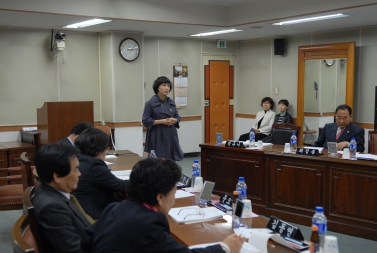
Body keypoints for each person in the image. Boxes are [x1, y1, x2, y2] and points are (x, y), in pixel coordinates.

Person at [82, 158, 246, 253]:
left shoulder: (115, 208)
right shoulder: (149, 224)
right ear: (160, 197)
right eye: (173, 193)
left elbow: (86, 241)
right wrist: (224, 247)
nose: (173, 198)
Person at [32, 143, 93, 253]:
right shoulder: (52, 209)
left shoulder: (53, 195)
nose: (79, 174)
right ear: (57, 176)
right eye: (75, 170)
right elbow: (74, 250)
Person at [72, 127, 127, 219]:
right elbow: (121, 186)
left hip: (80, 212)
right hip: (95, 216)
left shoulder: (77, 159)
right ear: (98, 150)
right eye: (106, 148)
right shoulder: (94, 165)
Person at [142, 76, 184, 161]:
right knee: (157, 161)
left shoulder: (171, 102)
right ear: (157, 87)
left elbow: (177, 116)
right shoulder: (150, 103)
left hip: (170, 134)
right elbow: (146, 120)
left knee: (170, 161)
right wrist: (162, 121)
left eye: (168, 86)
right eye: (164, 85)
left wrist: (175, 120)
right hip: (156, 135)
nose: (166, 88)